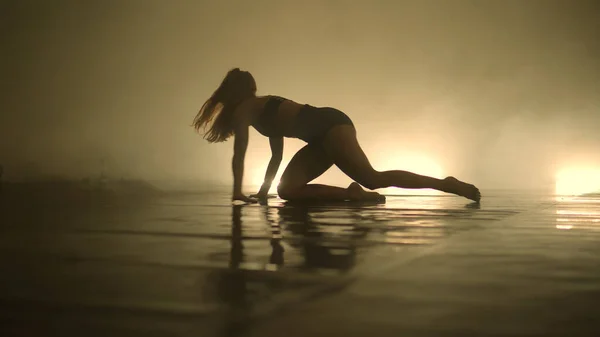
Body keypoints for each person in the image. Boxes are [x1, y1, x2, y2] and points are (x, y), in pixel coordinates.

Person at [193, 68, 481, 204]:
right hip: (320, 137)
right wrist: (265, 193)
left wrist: (236, 192)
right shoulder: (257, 109)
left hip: (331, 125)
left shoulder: (247, 110)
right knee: (287, 190)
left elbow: (239, 153)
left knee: (373, 177)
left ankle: (447, 184)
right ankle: (353, 195)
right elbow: (277, 155)